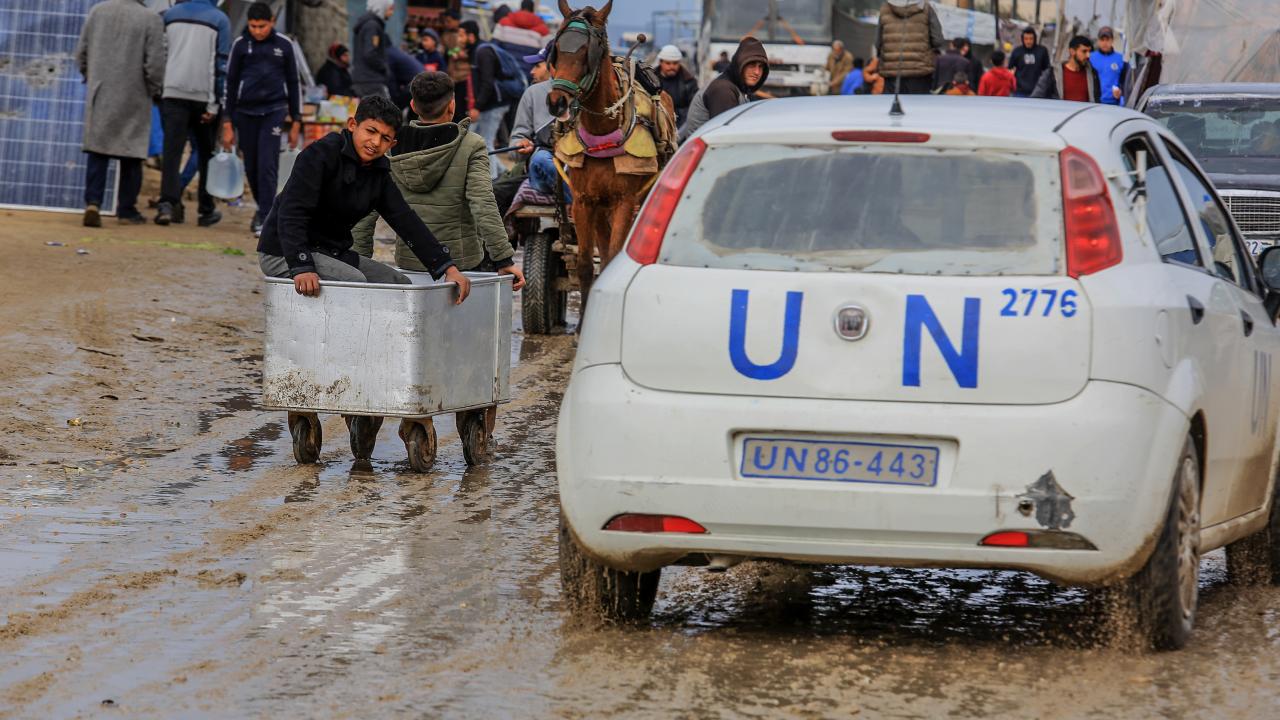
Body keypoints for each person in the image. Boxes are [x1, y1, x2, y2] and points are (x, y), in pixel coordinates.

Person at [257, 94, 471, 302]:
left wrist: (446, 267)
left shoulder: (379, 174)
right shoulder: (321, 154)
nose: (375, 142)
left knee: (399, 283)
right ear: (352, 125)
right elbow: (292, 212)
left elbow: (406, 221)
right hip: (283, 252)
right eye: (371, 131)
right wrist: (302, 266)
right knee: (355, 283)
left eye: (385, 138)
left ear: (392, 144)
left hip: (331, 252)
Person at [351, 72, 525, 293]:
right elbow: (482, 203)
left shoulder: (391, 145)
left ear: (413, 105)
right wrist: (504, 260)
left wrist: (358, 264)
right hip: (463, 266)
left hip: (410, 263)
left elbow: (366, 211)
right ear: (452, 105)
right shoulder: (471, 145)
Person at [75, 0, 166, 227]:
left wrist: (90, 76)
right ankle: (126, 210)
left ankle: (93, 202)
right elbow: (154, 63)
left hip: (101, 90)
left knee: (98, 150)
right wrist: (155, 88)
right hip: (134, 94)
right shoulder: (150, 18)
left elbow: (81, 52)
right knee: (132, 154)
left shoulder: (97, 11)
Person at [222, 2, 300, 237]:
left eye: (262, 26)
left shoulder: (284, 45)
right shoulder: (241, 45)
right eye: (253, 26)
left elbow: (294, 83)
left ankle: (266, 218)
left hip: (274, 112)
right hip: (245, 114)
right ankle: (262, 208)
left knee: (267, 165)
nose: (257, 31)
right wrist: (226, 121)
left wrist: (296, 120)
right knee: (252, 167)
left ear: (272, 22)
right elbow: (231, 83)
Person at [156, 0, 231, 227]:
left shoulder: (168, 16)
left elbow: (161, 55)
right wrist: (214, 105)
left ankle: (168, 205)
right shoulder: (220, 20)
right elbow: (220, 66)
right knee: (206, 153)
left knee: (172, 152)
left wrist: (160, 91)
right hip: (202, 97)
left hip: (172, 93)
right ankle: (205, 210)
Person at [679, 37, 769, 142]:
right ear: (740, 64)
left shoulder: (738, 87)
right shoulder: (723, 90)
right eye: (752, 65)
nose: (757, 72)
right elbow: (725, 139)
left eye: (761, 66)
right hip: (706, 155)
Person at [461, 20, 517, 179]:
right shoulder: (476, 51)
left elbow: (487, 83)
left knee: (485, 142)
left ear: (470, 36)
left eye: (461, 34)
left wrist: (477, 107)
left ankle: (491, 180)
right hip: (490, 103)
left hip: (495, 104)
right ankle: (504, 174)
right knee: (481, 141)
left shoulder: (482, 52)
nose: (458, 38)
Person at [509, 43, 564, 202]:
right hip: (544, 164)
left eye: (537, 66)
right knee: (540, 159)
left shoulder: (588, 93)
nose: (532, 71)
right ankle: (576, 202)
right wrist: (520, 146)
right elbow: (515, 145)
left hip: (578, 165)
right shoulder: (532, 93)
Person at [875, 0, 945, 95]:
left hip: (892, 72)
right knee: (919, 108)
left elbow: (878, 42)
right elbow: (938, 40)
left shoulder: (885, 9)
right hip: (920, 71)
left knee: (894, 107)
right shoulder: (926, 8)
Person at [1032, 35, 1102, 103]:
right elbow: (1036, 98)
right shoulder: (1052, 73)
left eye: (1089, 51)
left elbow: (1096, 99)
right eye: (1084, 51)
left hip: (1085, 114)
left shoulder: (1093, 74)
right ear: (1072, 51)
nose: (1088, 55)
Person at [351, 0, 394, 99]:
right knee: (383, 112)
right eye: (390, 8)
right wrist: (383, 67)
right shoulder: (372, 26)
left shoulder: (369, 24)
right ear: (382, 7)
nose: (392, 13)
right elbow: (370, 54)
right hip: (371, 81)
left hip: (365, 79)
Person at [657, 45, 699, 127]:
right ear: (661, 62)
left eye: (675, 63)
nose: (672, 66)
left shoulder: (689, 82)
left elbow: (694, 107)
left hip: (680, 125)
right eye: (668, 63)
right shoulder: (650, 80)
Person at [1090, 26, 1129, 106]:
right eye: (1102, 40)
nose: (1105, 43)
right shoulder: (1091, 58)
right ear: (1098, 41)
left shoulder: (1121, 59)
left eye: (1107, 40)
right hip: (1093, 102)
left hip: (1114, 103)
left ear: (1112, 41)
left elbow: (1125, 82)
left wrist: (1121, 91)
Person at [1009, 26, 1051, 98]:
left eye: (1031, 39)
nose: (1028, 41)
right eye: (1026, 39)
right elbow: (1010, 69)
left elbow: (1047, 71)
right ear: (1022, 39)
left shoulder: (1042, 51)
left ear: (1035, 39)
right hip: (1020, 91)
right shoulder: (1017, 52)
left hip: (1038, 91)